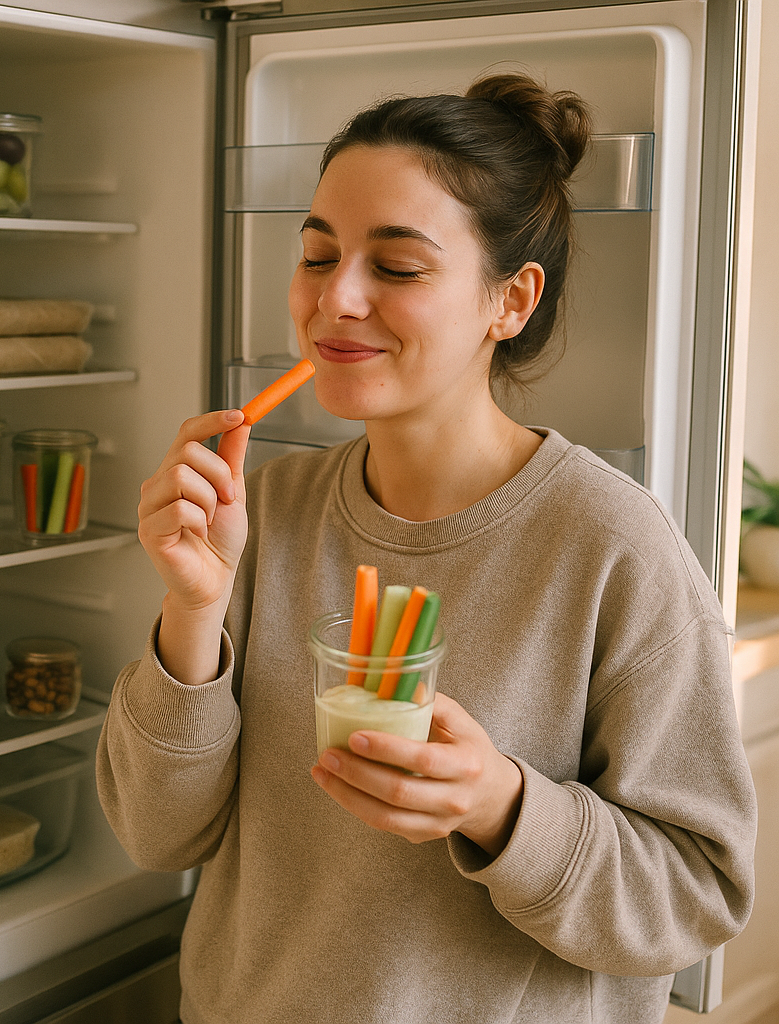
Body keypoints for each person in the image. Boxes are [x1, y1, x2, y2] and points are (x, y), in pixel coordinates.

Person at [96, 73, 756, 1024]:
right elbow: (156, 836)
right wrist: (193, 613)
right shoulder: (262, 513)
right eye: (318, 257)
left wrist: (500, 806)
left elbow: (698, 895)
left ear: (510, 301)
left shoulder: (613, 548)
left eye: (397, 268)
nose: (337, 300)